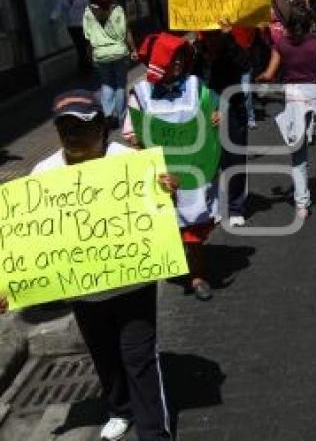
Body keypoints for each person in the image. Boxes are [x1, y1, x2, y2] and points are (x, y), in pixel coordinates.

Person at [35, 89, 176, 441]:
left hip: (133, 284)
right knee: (103, 355)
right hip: (84, 290)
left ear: (101, 127)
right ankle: (119, 408)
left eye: (81, 125)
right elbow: (35, 236)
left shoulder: (128, 161)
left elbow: (157, 216)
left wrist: (166, 192)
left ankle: (153, 432)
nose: (72, 134)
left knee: (139, 357)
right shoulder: (43, 173)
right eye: (64, 127)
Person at [123, 33, 220, 301]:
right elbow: (131, 132)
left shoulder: (193, 84)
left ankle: (198, 275)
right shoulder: (140, 93)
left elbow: (211, 106)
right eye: (171, 58)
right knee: (168, 226)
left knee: (195, 227)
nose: (177, 63)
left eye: (180, 57)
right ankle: (173, 264)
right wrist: (143, 151)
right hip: (162, 172)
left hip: (193, 169)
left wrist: (215, 115)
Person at [257, 0, 316, 218]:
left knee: (298, 153)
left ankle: (302, 204)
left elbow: (269, 75)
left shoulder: (281, 46)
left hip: (294, 98)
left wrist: (258, 77)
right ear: (309, 23)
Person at [195, 22, 256, 227]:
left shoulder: (231, 49)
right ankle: (214, 206)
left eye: (215, 36)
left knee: (235, 158)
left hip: (232, 110)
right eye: (208, 36)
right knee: (209, 161)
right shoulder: (197, 52)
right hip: (205, 111)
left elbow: (246, 64)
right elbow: (193, 80)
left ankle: (236, 207)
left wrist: (230, 39)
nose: (212, 41)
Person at [83, 0, 137, 128]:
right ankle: (121, 117)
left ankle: (107, 114)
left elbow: (87, 36)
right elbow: (125, 32)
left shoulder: (88, 12)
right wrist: (133, 50)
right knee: (120, 84)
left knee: (106, 84)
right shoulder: (117, 10)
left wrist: (90, 54)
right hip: (119, 52)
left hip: (100, 53)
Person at [50, 0, 90, 76]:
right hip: (72, 26)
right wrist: (53, 18)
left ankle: (83, 69)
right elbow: (58, 9)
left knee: (83, 47)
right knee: (80, 47)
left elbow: (89, 8)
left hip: (83, 24)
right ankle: (86, 67)